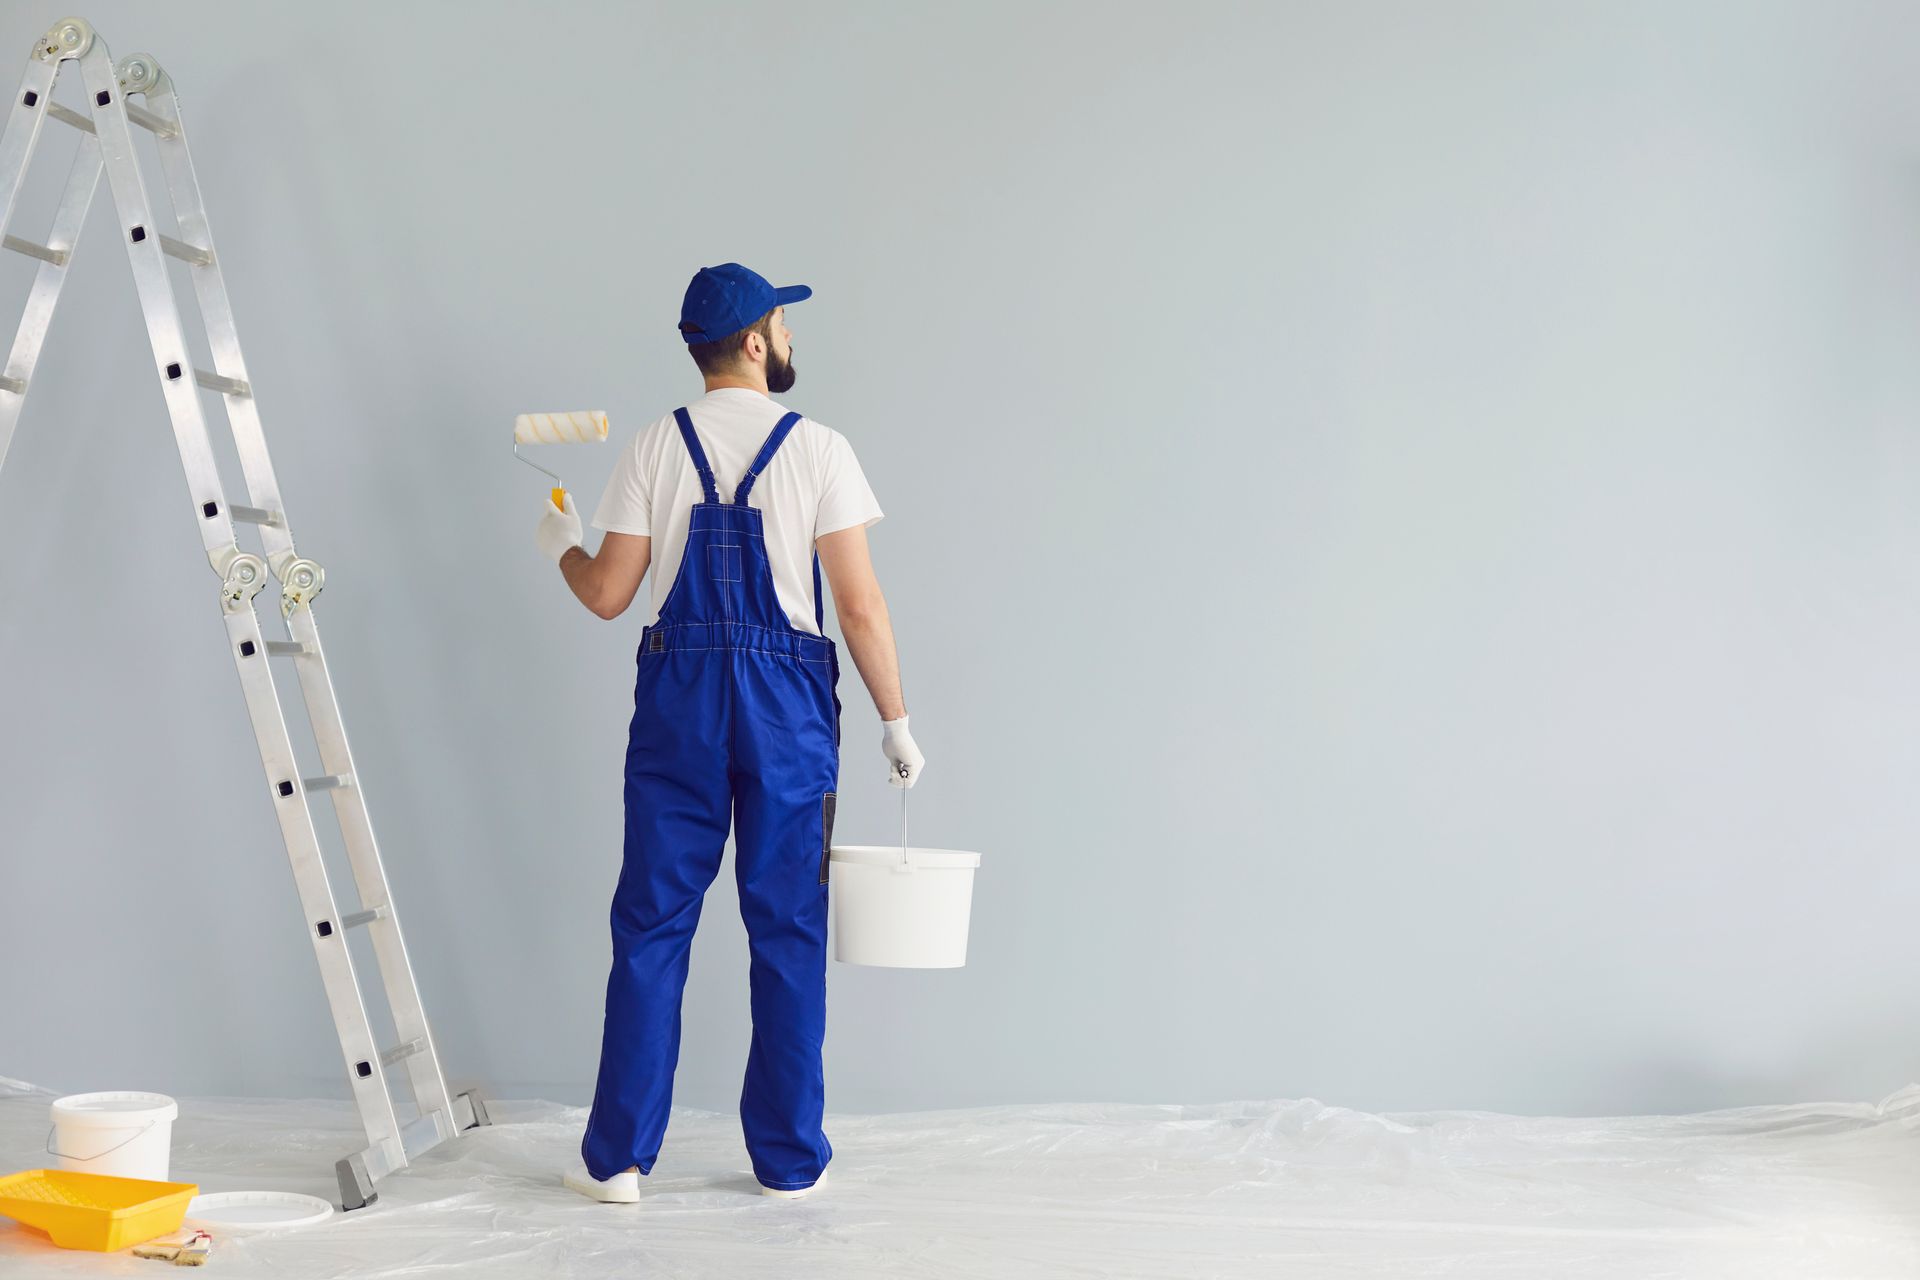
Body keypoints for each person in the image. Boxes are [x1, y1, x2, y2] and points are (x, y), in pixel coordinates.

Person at [534, 262, 925, 1202]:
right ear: (755, 341)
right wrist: (896, 723)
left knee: (652, 925)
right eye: (783, 323)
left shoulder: (653, 447)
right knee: (786, 926)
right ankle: (789, 1164)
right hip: (787, 706)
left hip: (679, 697)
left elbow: (607, 595)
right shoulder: (822, 449)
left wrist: (560, 545)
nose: (790, 337)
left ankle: (620, 1161)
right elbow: (861, 608)